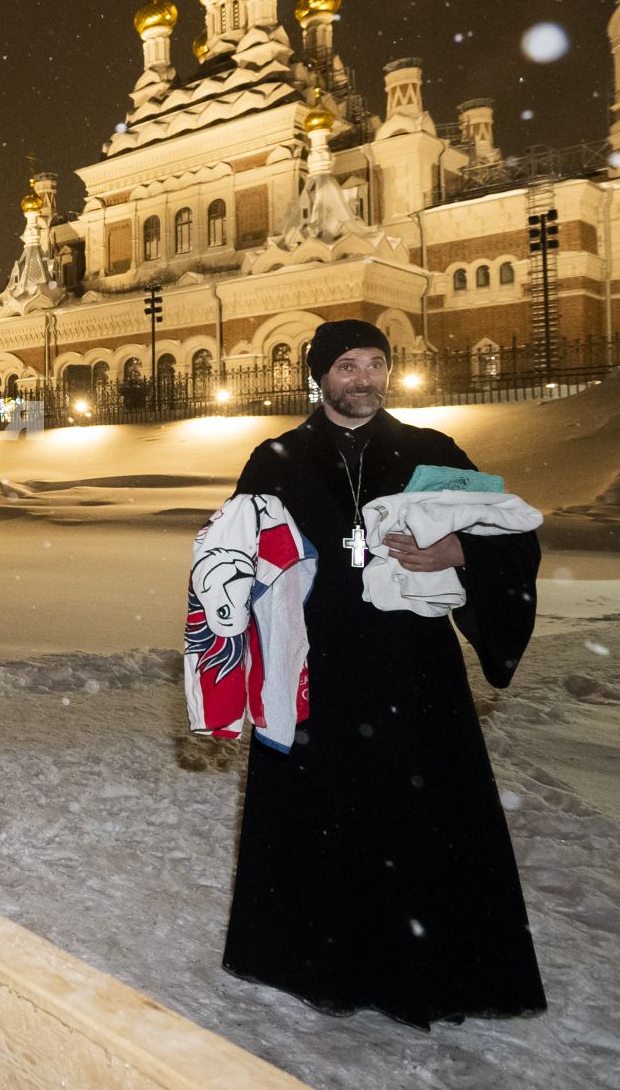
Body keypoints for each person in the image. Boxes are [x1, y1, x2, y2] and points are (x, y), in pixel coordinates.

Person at [218, 319, 546, 1028]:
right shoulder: (277, 459)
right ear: (319, 376)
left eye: (374, 363)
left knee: (418, 817)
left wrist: (460, 550)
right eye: (346, 365)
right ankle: (316, 957)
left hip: (412, 674)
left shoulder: (431, 452)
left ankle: (422, 966)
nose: (362, 378)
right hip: (312, 670)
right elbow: (229, 560)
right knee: (319, 818)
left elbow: (513, 531)